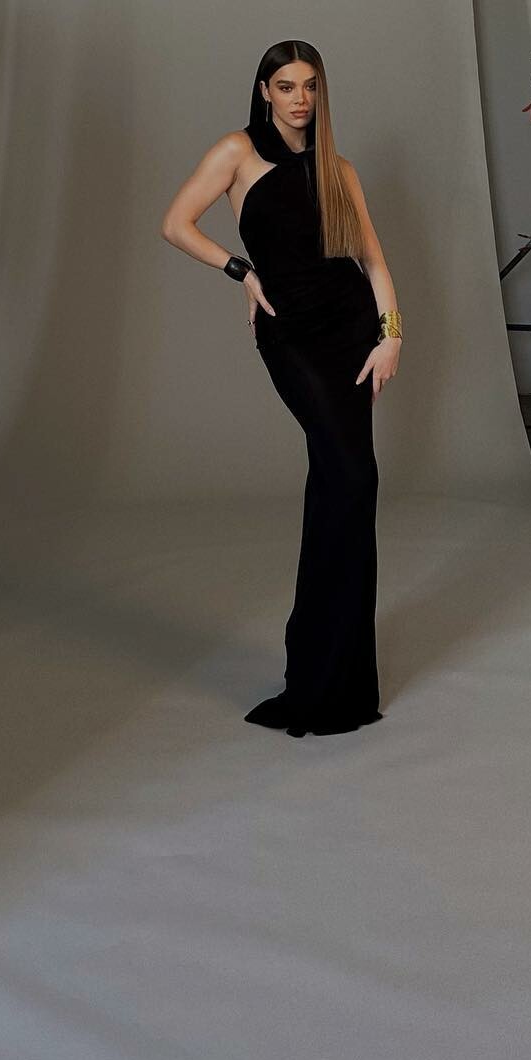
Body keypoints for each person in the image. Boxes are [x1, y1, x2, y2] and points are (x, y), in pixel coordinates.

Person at [160, 40, 403, 737]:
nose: (301, 99)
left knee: (344, 484)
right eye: (287, 86)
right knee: (348, 477)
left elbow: (373, 261)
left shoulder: (338, 168)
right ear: (265, 90)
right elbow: (174, 224)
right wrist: (241, 272)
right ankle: (320, 670)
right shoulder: (236, 153)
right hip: (291, 335)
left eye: (311, 86)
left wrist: (391, 335)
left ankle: (335, 676)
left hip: (352, 330)